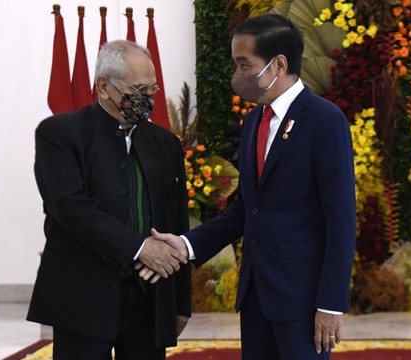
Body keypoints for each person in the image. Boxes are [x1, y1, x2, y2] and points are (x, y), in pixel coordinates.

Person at [148, 14, 356, 359]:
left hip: (301, 299)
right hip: (256, 294)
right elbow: (246, 208)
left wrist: (331, 304)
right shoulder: (253, 120)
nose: (237, 74)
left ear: (278, 65)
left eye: (244, 64)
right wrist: (186, 245)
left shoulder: (324, 120)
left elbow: (341, 219)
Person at [27, 40, 192, 360]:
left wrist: (181, 303)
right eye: (139, 89)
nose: (148, 98)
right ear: (103, 86)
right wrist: (141, 248)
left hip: (149, 300)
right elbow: (71, 209)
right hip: (82, 298)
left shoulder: (165, 143)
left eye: (153, 88)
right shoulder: (59, 133)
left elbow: (176, 223)